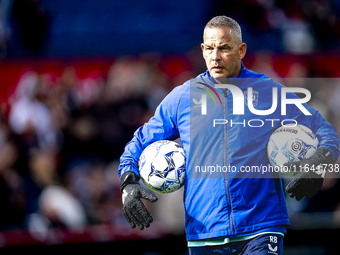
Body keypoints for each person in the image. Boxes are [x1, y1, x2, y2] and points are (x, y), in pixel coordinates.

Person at [118, 16, 339, 255]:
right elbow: (139, 142)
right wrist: (128, 183)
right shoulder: (182, 98)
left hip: (261, 228)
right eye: (210, 48)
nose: (215, 56)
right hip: (205, 234)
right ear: (202, 50)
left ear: (241, 50)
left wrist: (318, 162)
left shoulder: (268, 92)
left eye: (224, 48)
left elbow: (323, 129)